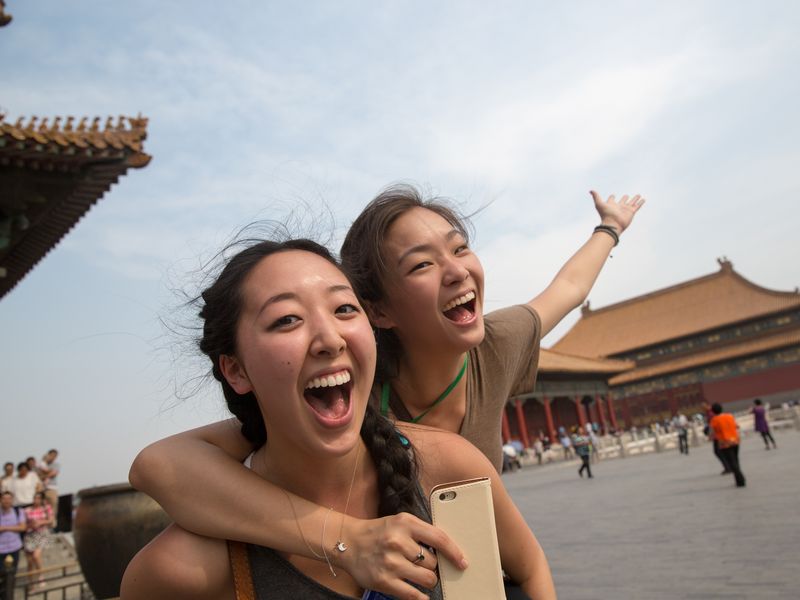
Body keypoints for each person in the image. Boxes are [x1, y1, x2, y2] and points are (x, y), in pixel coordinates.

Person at [129, 186, 643, 590]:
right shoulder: (351, 389)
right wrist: (348, 540)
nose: (456, 271)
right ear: (379, 312)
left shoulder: (498, 344)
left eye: (461, 249)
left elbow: (569, 289)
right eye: (421, 264)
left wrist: (610, 228)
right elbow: (162, 466)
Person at [708, 403, 746, 487]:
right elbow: (737, 426)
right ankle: (738, 481)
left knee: (731, 462)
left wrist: (711, 437)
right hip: (735, 440)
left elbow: (711, 433)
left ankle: (741, 479)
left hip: (725, 443)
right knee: (735, 460)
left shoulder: (714, 420)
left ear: (713, 411)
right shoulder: (730, 416)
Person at [23, 491, 54, 590]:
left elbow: (50, 520)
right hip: (30, 535)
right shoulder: (27, 510)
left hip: (42, 534)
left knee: (36, 556)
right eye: (35, 498)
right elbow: (23, 524)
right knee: (29, 561)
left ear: (41, 500)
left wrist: (40, 522)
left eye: (38, 498)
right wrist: (30, 525)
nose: (36, 500)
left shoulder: (46, 508)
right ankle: (31, 582)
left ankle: (40, 575)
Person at [0, 491, 26, 600]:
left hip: (13, 549)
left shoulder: (17, 511)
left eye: (9, 499)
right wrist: (14, 527)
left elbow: (22, 527)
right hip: (1, 550)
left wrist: (5, 528)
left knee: (11, 574)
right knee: (2, 573)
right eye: (4, 499)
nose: (7, 501)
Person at [38, 450, 60, 521]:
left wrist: (43, 476)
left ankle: (52, 524)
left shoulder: (56, 464)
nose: (52, 457)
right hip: (41, 488)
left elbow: (53, 474)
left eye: (55, 456)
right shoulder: (41, 463)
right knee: (41, 507)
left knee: (53, 507)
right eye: (51, 455)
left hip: (51, 488)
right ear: (48, 455)